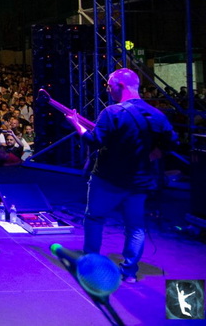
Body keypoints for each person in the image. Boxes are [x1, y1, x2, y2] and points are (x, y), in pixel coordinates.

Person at [65, 68, 177, 283]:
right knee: (135, 227)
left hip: (108, 179)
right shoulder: (157, 115)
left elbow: (94, 141)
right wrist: (156, 152)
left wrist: (76, 124)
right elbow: (172, 143)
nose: (108, 90)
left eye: (109, 85)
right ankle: (129, 272)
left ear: (122, 86)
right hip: (139, 182)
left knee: (95, 219)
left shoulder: (112, 113)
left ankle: (91, 267)